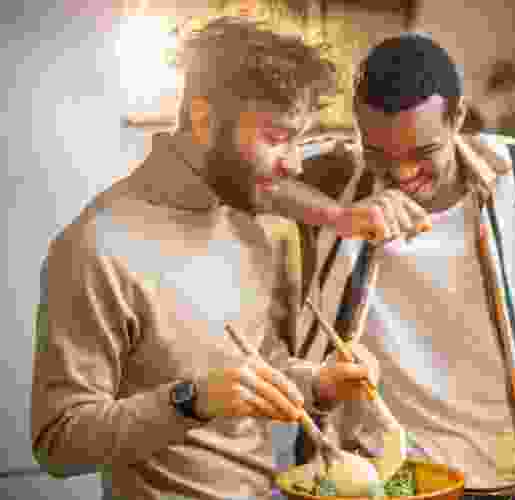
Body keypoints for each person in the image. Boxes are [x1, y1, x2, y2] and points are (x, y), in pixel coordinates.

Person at [30, 17, 379, 500]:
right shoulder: (96, 246)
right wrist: (190, 400)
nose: (296, 163)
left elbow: (253, 364)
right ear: (202, 120)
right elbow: (58, 442)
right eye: (277, 137)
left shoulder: (247, 225)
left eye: (300, 139)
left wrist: (316, 383)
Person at [294, 33, 515, 495]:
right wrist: (342, 216)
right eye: (381, 155)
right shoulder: (333, 176)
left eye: (423, 154)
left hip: (513, 475)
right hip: (392, 481)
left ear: (458, 116)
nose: (403, 175)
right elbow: (248, 177)